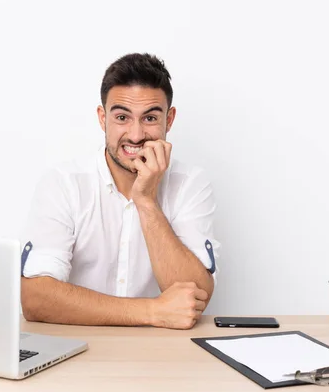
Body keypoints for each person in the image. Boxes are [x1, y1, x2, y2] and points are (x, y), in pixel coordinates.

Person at [21, 53, 220, 329]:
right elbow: (35, 298)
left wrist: (146, 200)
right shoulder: (63, 184)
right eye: (122, 117)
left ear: (169, 120)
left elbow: (194, 297)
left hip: (161, 355)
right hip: (78, 349)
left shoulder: (190, 183)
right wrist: (151, 311)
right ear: (103, 118)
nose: (136, 135)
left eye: (150, 118)